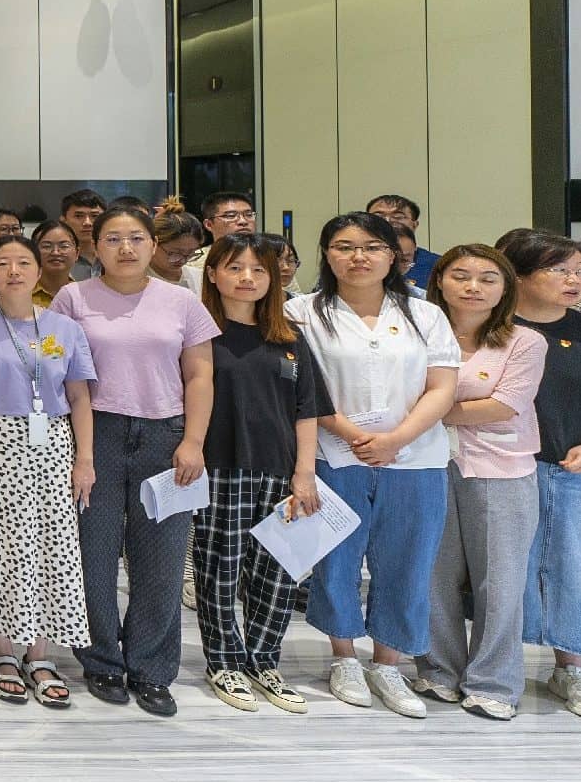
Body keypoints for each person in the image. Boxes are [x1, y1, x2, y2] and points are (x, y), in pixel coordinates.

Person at [283, 213, 457, 718]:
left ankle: (388, 664)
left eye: (372, 247)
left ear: (392, 255)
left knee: (409, 561)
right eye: (344, 246)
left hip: (416, 458)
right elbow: (301, 387)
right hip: (335, 454)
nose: (358, 256)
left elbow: (442, 387)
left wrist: (396, 438)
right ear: (326, 254)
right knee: (335, 559)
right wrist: (353, 435)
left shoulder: (425, 313)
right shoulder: (301, 312)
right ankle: (343, 657)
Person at [50, 205, 219, 718]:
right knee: (93, 557)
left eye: (137, 238)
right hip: (93, 435)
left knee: (162, 562)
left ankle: (151, 668)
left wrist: (193, 441)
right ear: (95, 246)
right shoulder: (72, 298)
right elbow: (55, 368)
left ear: (152, 244)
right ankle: (101, 660)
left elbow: (200, 376)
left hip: (165, 437)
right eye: (113, 239)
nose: (125, 248)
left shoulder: (182, 301)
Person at [193, 234, 326, 714]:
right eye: (234, 268)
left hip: (280, 473)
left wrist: (304, 474)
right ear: (212, 274)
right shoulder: (199, 335)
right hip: (219, 469)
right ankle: (224, 662)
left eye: (258, 270)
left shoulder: (290, 338)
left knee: (278, 573)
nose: (247, 278)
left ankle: (264, 661)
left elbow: (307, 410)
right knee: (220, 570)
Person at [413, 245, 544, 720]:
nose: (473, 287)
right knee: (433, 574)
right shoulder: (419, 332)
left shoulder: (525, 342)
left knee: (501, 582)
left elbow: (503, 406)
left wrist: (424, 412)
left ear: (506, 288)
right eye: (461, 276)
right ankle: (439, 669)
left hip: (501, 469)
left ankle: (495, 683)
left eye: (488, 278)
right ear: (439, 280)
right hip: (426, 463)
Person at [0, 235, 94, 710]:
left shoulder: (64, 327)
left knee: (50, 543)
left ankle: (40, 656)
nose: (14, 271)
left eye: (23, 262)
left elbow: (79, 396)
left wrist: (85, 459)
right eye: (3, 263)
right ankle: (2, 653)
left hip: (53, 444)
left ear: (40, 271)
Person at [505, 233, 581, 718]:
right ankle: (497, 666)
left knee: (578, 569)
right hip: (505, 468)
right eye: (559, 270)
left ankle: (572, 667)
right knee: (504, 571)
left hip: (578, 466)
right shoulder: (495, 327)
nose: (574, 280)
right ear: (519, 275)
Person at [367, 194, 439, 291]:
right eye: (378, 216)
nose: (387, 221)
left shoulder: (436, 265)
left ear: (414, 225)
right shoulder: (355, 260)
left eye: (398, 217)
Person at [150, 199, 206, 288]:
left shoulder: (199, 278)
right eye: (175, 253)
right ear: (153, 244)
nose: (183, 261)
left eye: (191, 253)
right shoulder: (134, 280)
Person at [31, 220, 80, 310]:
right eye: (46, 246)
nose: (55, 252)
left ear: (77, 253)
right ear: (33, 253)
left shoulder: (85, 294)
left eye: (64, 246)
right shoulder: (21, 294)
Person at [60, 189, 107, 278]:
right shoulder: (57, 259)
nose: (87, 223)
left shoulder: (115, 256)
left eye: (94, 216)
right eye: (78, 216)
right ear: (64, 221)